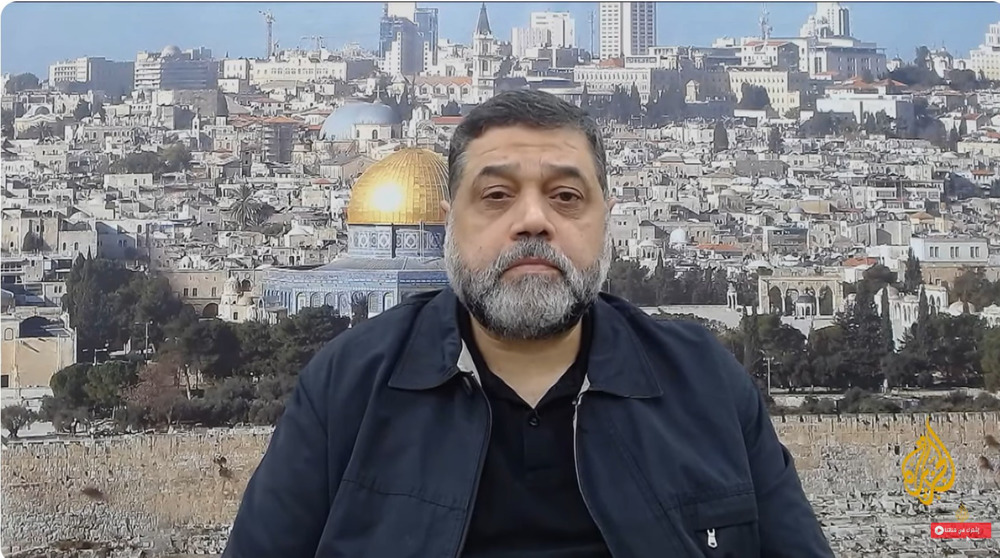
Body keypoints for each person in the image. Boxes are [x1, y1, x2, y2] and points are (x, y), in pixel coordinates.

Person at [223, 90, 834, 557]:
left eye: (567, 197)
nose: (533, 220)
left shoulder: (704, 382)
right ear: (447, 225)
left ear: (605, 219)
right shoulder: (348, 386)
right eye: (495, 197)